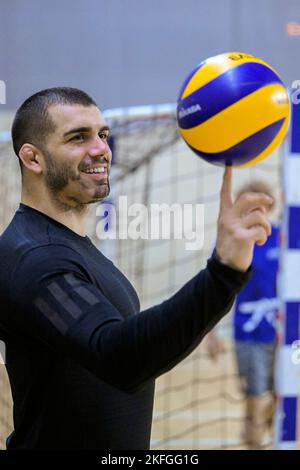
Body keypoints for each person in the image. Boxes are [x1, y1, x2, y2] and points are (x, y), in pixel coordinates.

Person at [0, 88, 273, 450]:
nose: (101, 149)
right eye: (78, 137)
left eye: (103, 135)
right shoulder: (34, 257)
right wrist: (223, 273)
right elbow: (119, 357)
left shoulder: (65, 245)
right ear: (33, 158)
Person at [207, 180, 279, 449]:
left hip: (283, 336)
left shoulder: (284, 238)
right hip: (248, 334)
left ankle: (260, 432)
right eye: (250, 204)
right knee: (254, 397)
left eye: (262, 204)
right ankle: (253, 440)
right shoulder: (233, 240)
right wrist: (211, 334)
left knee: (280, 396)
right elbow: (214, 290)